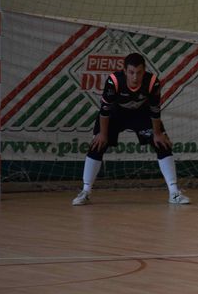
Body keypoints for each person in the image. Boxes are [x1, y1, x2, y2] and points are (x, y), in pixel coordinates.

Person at [72, 52, 191, 205]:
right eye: (131, 72)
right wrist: (102, 133)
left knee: (162, 143)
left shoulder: (152, 82)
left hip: (141, 114)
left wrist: (157, 133)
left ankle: (174, 193)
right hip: (116, 114)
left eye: (139, 72)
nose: (135, 77)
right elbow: (105, 110)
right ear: (125, 71)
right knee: (97, 144)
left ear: (144, 71)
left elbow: (155, 110)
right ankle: (85, 192)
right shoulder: (114, 81)